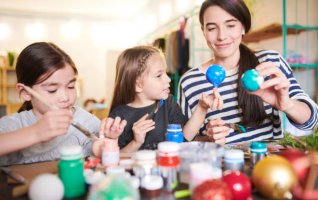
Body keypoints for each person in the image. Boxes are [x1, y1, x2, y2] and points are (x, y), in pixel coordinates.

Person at [178, 0, 318, 144]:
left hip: (270, 163)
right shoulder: (189, 81)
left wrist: (287, 104)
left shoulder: (269, 63)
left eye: (230, 25)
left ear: (243, 27)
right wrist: (208, 138)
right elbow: (184, 141)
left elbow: (312, 121)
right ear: (204, 32)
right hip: (221, 165)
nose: (221, 36)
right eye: (212, 28)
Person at [0, 42, 124, 165]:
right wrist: (35, 132)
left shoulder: (86, 121)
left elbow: (100, 148)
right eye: (52, 90)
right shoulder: (13, 125)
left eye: (71, 86)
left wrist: (108, 144)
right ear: (25, 92)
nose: (65, 97)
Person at [107, 45, 219, 152]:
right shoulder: (118, 117)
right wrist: (136, 142)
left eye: (165, 72)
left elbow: (184, 137)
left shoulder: (168, 103)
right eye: (159, 75)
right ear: (138, 85)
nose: (168, 79)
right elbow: (114, 157)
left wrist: (202, 107)